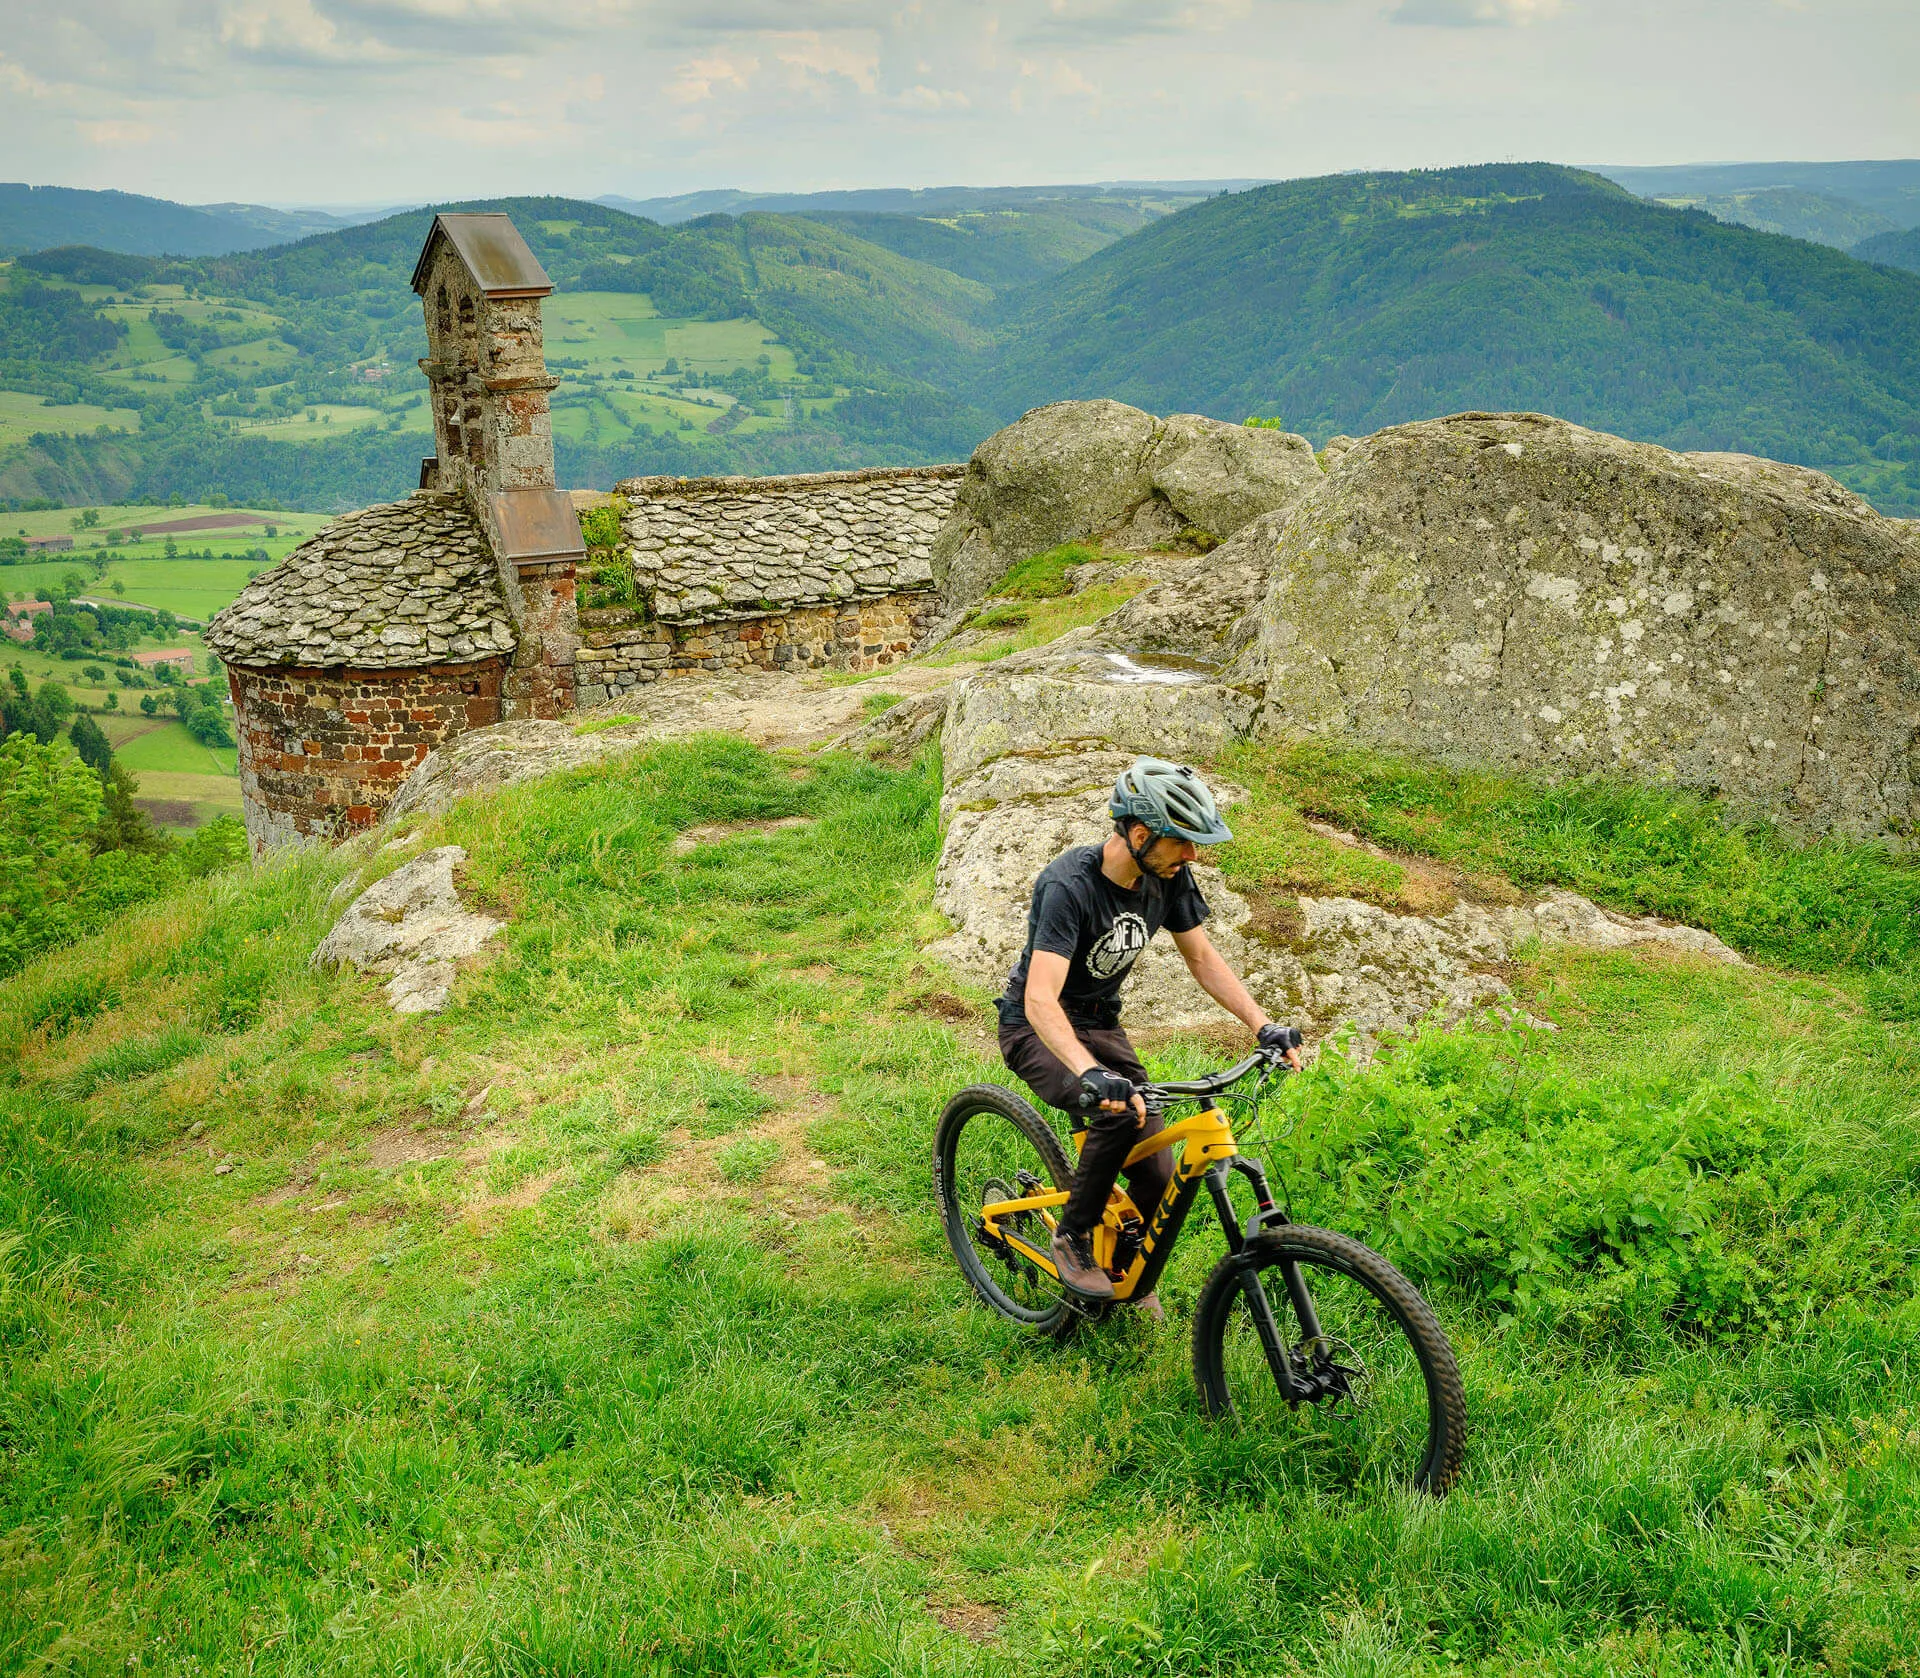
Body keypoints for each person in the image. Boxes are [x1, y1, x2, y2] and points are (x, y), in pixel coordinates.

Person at [996, 756, 1304, 1304]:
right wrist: (1092, 1073)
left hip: (1100, 1025)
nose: (1193, 855)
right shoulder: (1069, 885)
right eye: (1182, 842)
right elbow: (1041, 998)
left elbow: (1203, 959)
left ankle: (1129, 1279)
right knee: (1115, 1113)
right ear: (1140, 834)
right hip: (1035, 1028)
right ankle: (1073, 1236)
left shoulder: (1168, 877)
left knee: (1158, 1173)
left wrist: (1263, 1026)